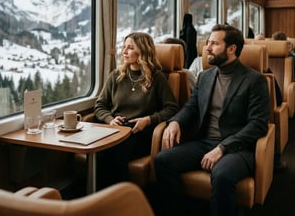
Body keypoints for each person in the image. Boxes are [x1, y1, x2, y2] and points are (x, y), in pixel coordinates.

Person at [154, 24, 270, 216]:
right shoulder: (205, 76)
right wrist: (175, 122)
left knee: (222, 174)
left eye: (214, 44)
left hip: (237, 147)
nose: (207, 48)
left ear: (231, 49)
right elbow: (191, 107)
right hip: (203, 142)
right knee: (162, 160)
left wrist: (223, 148)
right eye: (208, 42)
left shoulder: (254, 80)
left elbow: (258, 124)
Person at [94, 32, 179, 188]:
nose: (124, 52)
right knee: (99, 155)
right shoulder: (115, 76)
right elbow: (100, 105)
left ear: (143, 51)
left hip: (140, 133)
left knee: (117, 154)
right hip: (116, 130)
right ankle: (101, 200)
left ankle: (124, 200)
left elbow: (172, 108)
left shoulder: (157, 78)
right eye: (124, 47)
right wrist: (110, 119)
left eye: (130, 48)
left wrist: (148, 120)